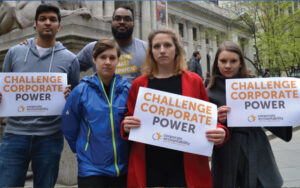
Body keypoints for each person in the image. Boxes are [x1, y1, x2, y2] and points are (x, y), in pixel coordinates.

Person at [121, 28, 229, 187]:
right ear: (150, 51)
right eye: (156, 46)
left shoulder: (194, 81)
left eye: (167, 45)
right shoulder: (139, 84)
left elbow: (207, 119)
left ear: (177, 49)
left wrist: (221, 132)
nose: (162, 50)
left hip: (186, 168)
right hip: (150, 167)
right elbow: (128, 119)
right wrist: (126, 127)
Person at [0, 3, 80, 187]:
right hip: (14, 136)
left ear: (59, 26)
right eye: (42, 19)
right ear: (35, 24)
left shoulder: (70, 59)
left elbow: (74, 99)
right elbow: (5, 88)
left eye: (52, 19)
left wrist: (70, 96)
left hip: (49, 138)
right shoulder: (15, 53)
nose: (47, 23)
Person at [206, 41, 292, 188]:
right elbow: (202, 127)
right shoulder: (208, 91)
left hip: (255, 145)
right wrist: (217, 119)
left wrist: (288, 108)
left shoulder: (255, 86)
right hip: (226, 152)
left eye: (233, 61)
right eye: (223, 61)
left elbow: (272, 115)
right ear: (216, 63)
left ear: (240, 63)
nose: (228, 65)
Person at [61, 38, 130, 187]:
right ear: (94, 59)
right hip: (91, 170)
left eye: (112, 58)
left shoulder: (127, 90)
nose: (107, 62)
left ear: (118, 60)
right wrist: (82, 149)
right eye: (102, 57)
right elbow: (69, 126)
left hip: (122, 168)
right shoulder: (80, 90)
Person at [78, 6, 147, 83]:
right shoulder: (93, 48)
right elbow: (70, 68)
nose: (122, 22)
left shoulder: (146, 49)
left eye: (127, 19)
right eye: (117, 18)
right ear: (111, 23)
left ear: (133, 24)